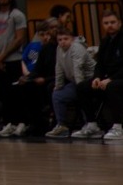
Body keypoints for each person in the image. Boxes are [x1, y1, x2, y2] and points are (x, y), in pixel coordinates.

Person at [46, 26, 97, 139]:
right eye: (60, 40)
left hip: (90, 81)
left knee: (81, 93)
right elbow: (58, 68)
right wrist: (58, 86)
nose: (62, 42)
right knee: (57, 94)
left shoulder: (77, 48)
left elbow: (78, 69)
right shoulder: (59, 49)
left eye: (66, 39)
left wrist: (80, 88)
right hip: (76, 82)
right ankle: (62, 126)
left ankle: (89, 124)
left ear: (72, 39)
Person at [86, 10, 123, 141]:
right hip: (108, 78)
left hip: (119, 78)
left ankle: (119, 126)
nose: (110, 25)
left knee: (112, 87)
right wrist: (97, 77)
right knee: (82, 87)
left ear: (119, 23)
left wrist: (111, 79)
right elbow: (100, 64)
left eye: (113, 22)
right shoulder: (105, 41)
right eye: (106, 23)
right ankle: (92, 124)